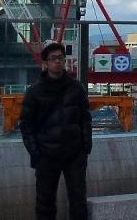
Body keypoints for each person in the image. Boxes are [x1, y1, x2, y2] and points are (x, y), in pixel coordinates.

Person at [20, 41, 92, 220]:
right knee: (45, 203)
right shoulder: (34, 92)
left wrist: (85, 148)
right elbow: (26, 125)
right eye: (53, 59)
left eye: (61, 58)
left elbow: (85, 118)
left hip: (74, 154)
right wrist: (36, 153)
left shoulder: (77, 88)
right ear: (46, 63)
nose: (58, 62)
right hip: (46, 155)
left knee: (78, 201)